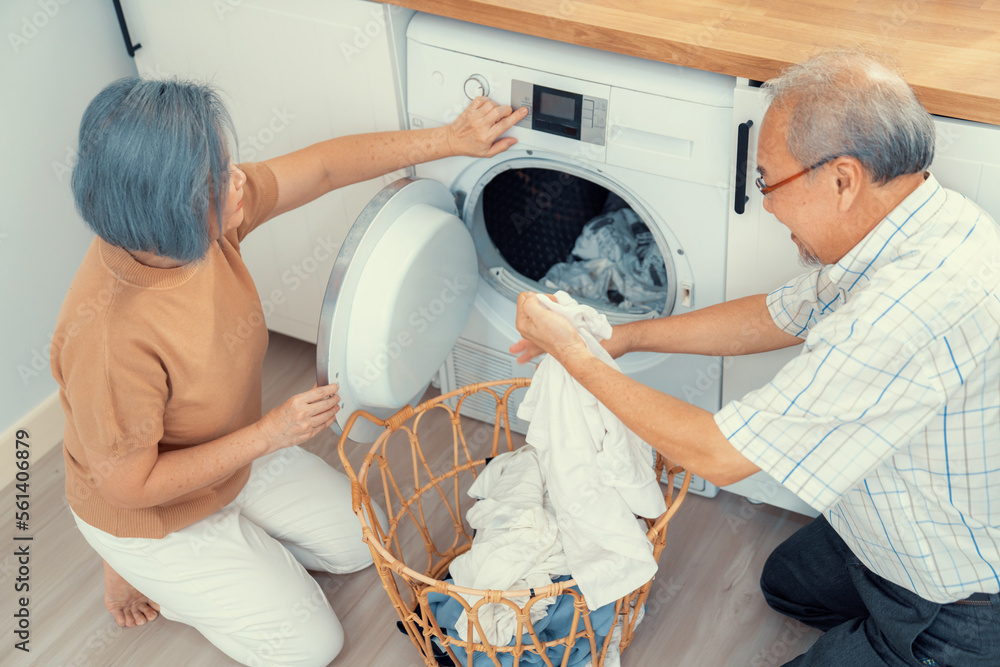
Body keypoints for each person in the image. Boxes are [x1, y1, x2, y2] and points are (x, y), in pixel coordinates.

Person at [512, 50, 1000, 666]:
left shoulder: (904, 313)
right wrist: (625, 339)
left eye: (768, 180)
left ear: (842, 179)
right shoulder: (914, 221)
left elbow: (716, 454)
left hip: (954, 599)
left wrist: (572, 357)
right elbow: (777, 314)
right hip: (889, 527)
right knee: (785, 584)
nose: (765, 202)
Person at [52, 76, 527, 667]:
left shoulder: (196, 227)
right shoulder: (110, 339)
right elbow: (127, 485)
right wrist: (270, 434)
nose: (238, 180)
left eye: (225, 165)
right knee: (309, 647)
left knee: (363, 544)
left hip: (225, 454)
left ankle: (222, 549)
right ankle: (131, 561)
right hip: (148, 509)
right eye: (216, 178)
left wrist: (451, 138)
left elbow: (325, 166)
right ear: (170, 208)